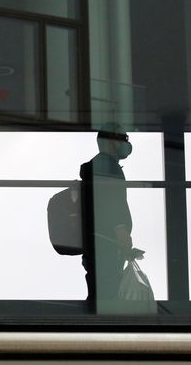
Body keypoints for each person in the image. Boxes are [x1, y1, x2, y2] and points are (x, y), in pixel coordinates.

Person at [79, 123, 135, 309]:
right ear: (112, 141)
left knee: (99, 294)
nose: (127, 144)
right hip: (106, 243)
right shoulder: (106, 165)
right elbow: (110, 200)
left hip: (97, 243)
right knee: (106, 297)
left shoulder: (97, 165)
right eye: (124, 139)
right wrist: (120, 229)